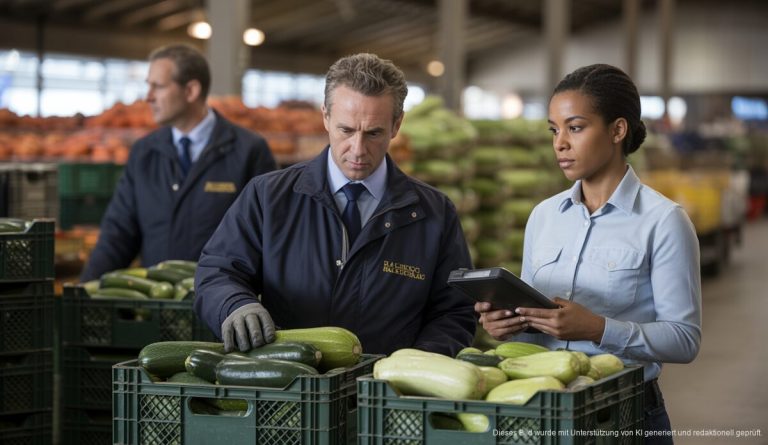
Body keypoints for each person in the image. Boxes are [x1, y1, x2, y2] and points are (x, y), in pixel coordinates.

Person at [194, 53, 475, 357]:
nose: (357, 149)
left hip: (388, 395)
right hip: (289, 389)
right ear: (326, 117)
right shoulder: (268, 197)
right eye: (346, 130)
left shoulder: (434, 213)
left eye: (373, 133)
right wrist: (234, 304)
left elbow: (454, 311)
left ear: (396, 125)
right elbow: (218, 271)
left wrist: (416, 369)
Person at [475, 64, 701, 442]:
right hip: (543, 413)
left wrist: (598, 329)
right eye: (554, 129)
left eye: (575, 127)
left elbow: (684, 339)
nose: (559, 143)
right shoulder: (544, 216)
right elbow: (536, 320)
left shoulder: (663, 221)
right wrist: (508, 324)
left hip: (624, 416)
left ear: (617, 130)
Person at [81, 44, 276, 281]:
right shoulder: (144, 152)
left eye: (158, 86)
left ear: (191, 90)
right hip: (158, 302)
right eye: (148, 85)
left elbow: (269, 237)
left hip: (224, 305)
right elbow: (118, 235)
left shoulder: (248, 151)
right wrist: (86, 291)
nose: (148, 97)